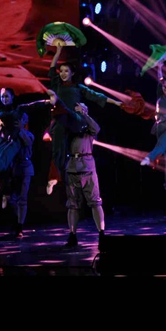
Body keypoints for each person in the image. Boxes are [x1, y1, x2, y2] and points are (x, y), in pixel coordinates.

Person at [48, 43, 122, 194]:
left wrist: (115, 102)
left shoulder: (78, 88)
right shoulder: (57, 85)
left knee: (78, 151)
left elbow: (96, 96)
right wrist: (58, 51)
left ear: (72, 73)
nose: (63, 74)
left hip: (74, 121)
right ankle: (55, 178)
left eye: (66, 71)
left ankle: (81, 182)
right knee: (58, 150)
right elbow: (52, 68)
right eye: (61, 71)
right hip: (61, 120)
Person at [0, 87, 50, 182]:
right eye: (2, 97)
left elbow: (34, 105)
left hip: (15, 139)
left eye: (6, 96)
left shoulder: (19, 109)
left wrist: (47, 102)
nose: (4, 99)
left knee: (5, 157)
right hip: (3, 139)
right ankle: (1, 184)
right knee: (2, 162)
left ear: (12, 97)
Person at [61, 102, 105, 249]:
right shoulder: (70, 128)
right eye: (77, 109)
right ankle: (72, 235)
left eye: (82, 108)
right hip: (72, 167)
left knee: (95, 202)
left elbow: (96, 129)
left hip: (87, 167)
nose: (78, 111)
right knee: (72, 204)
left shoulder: (88, 127)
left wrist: (84, 115)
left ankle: (102, 234)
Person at [0, 112, 35, 239]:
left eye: (21, 120)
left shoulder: (28, 134)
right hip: (13, 168)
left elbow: (27, 142)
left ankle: (20, 226)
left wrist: (20, 129)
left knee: (22, 199)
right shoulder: (10, 135)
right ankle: (17, 219)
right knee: (12, 199)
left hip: (25, 168)